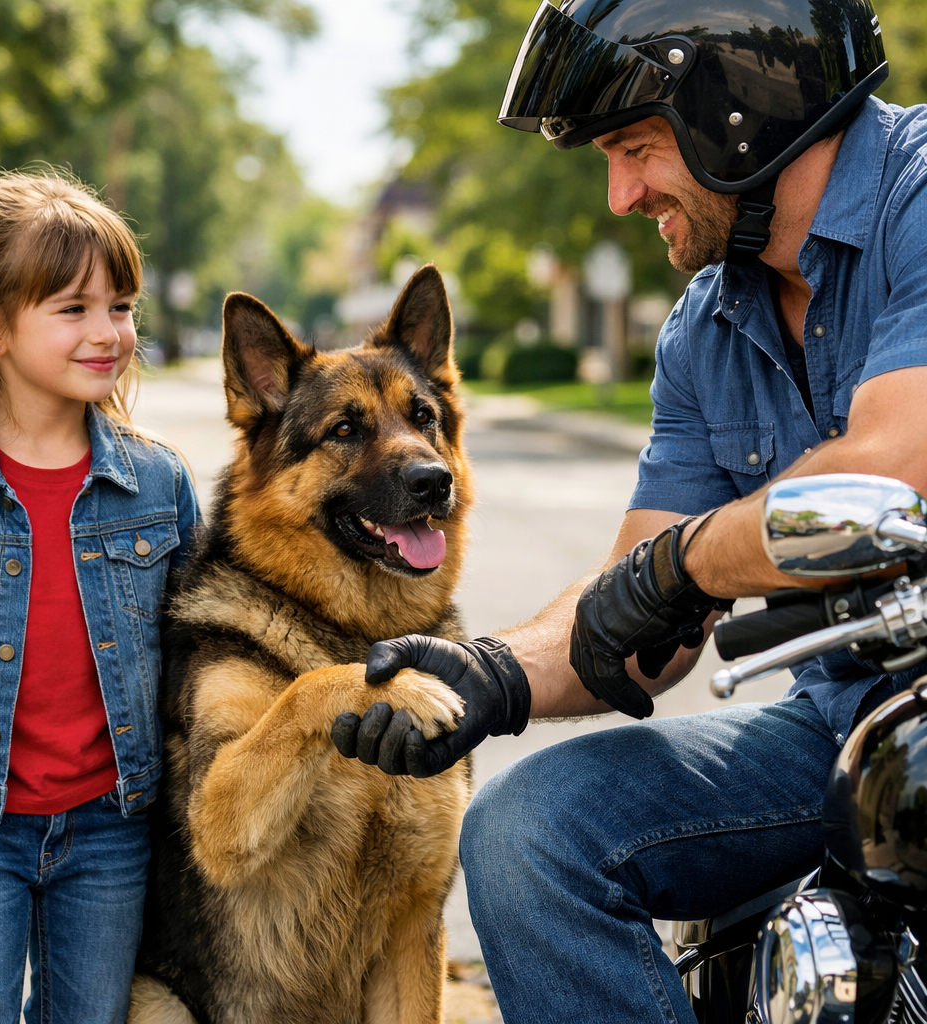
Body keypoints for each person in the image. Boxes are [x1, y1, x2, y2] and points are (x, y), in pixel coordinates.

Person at [331, 0, 927, 1019]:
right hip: (835, 724)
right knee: (528, 830)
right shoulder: (706, 327)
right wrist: (489, 672)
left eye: (636, 149)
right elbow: (639, 617)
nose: (618, 196)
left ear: (736, 108)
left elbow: (886, 478)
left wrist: (686, 566)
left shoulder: (917, 191)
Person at [0, 171, 200, 1023]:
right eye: (73, 310)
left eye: (123, 306)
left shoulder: (157, 483)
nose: (109, 333)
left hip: (112, 829)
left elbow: (196, 666)